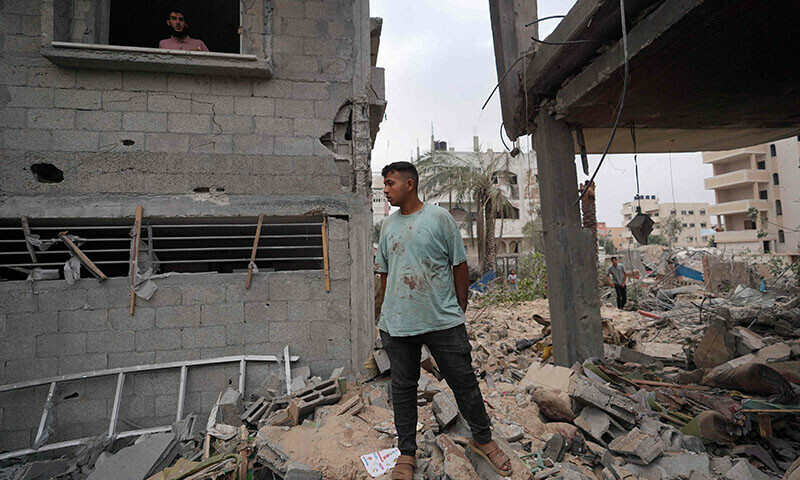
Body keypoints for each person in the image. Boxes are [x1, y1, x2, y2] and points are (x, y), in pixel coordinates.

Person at [375, 162, 512, 479]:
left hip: (442, 320)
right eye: (384, 183)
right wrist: (386, 313)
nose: (385, 189)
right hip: (397, 325)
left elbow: (459, 265)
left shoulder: (438, 218)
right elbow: (384, 273)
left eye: (390, 183)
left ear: (410, 185)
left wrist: (458, 307)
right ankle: (406, 454)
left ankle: (483, 440)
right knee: (404, 389)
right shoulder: (387, 226)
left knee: (464, 382)